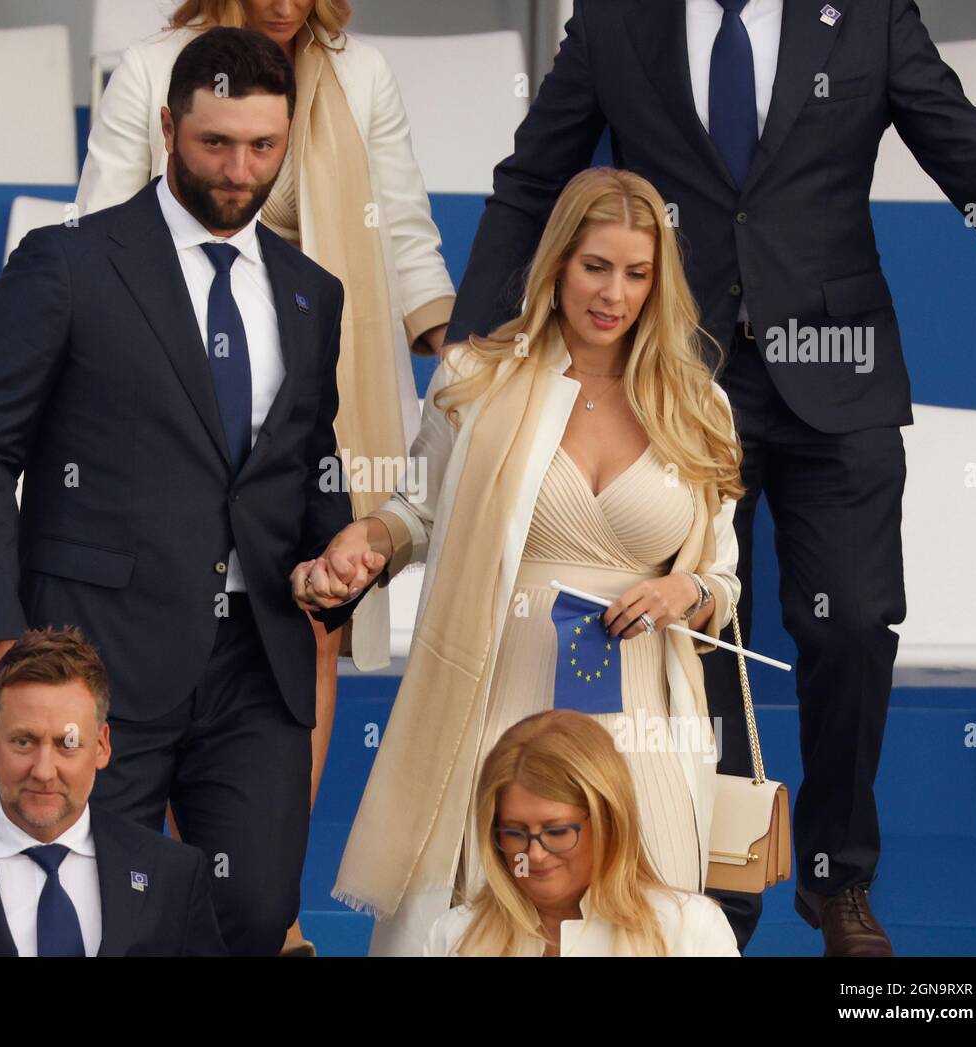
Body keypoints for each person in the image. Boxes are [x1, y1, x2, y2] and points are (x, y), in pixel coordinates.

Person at [445, 0, 976, 957]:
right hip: (671, 375)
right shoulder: (617, 21)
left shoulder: (869, 16)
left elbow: (969, 155)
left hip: (838, 374)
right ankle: (720, 885)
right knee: (693, 634)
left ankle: (839, 880)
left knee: (854, 624)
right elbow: (534, 176)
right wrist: (473, 346)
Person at [0, 28, 379, 956]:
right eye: (215, 143)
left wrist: (340, 552)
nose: (237, 168)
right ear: (169, 126)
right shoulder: (66, 263)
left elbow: (306, 461)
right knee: (92, 920)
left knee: (256, 913)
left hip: (255, 662)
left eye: (262, 147)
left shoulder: (312, 292)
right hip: (93, 654)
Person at [76, 0, 454, 954]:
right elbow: (100, 216)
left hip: (318, 367)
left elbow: (401, 220)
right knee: (173, 634)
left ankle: (261, 897)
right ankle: (178, 890)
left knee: (306, 627)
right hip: (171, 380)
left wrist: (454, 353)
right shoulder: (153, 64)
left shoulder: (360, 72)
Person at [295, 167, 742, 956]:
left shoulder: (697, 406)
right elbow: (417, 512)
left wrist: (687, 590)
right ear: (559, 263)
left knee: (646, 915)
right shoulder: (478, 378)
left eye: (637, 273)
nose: (614, 293)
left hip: (641, 709)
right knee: (481, 904)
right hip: (494, 684)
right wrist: (367, 543)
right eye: (595, 266)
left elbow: (723, 578)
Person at [0, 628, 226, 957]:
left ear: (102, 746)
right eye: (24, 742)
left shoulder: (174, 875)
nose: (44, 772)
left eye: (68, 743)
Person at [424, 710, 739, 956]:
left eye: (557, 831)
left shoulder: (688, 928)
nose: (534, 854)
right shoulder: (454, 936)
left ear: (609, 822)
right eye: (514, 833)